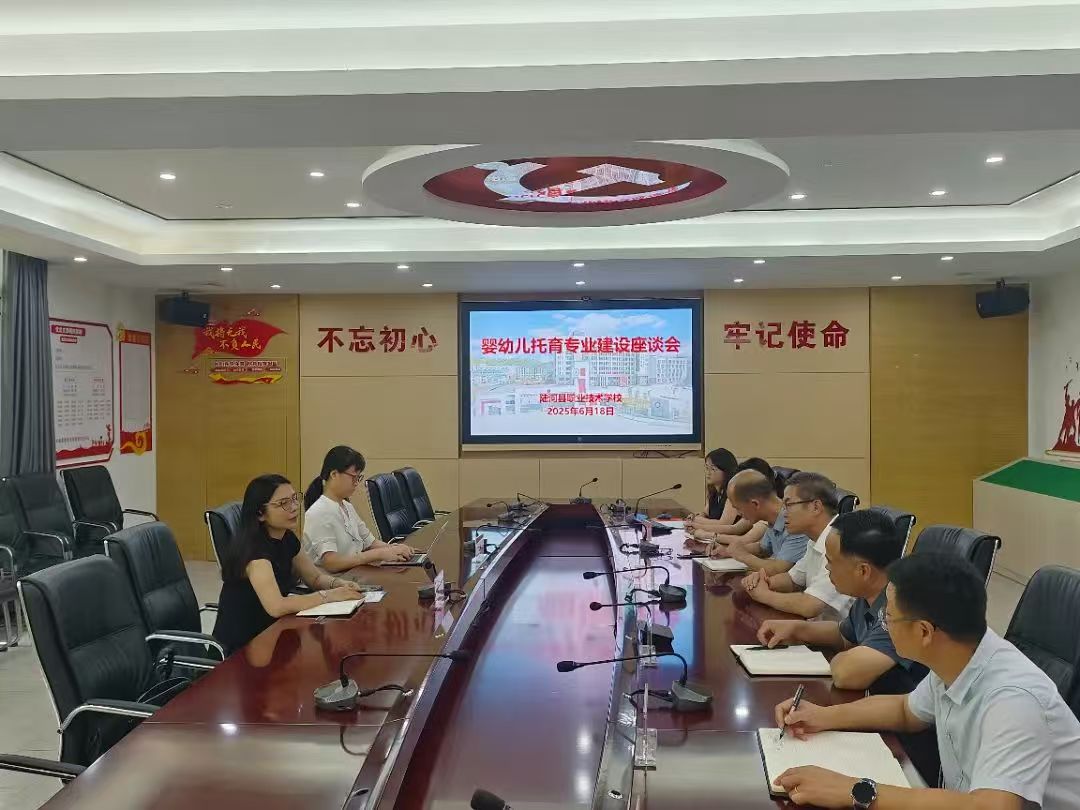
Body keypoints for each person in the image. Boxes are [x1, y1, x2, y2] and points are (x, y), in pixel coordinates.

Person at [771, 552, 1080, 810]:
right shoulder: (960, 656)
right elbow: (906, 710)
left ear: (924, 632)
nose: (884, 624)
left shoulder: (1014, 700)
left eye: (888, 617)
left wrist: (854, 790)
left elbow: (991, 807)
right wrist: (823, 716)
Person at [757, 509, 926, 692]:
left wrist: (837, 660)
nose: (827, 568)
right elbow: (844, 635)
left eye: (831, 562)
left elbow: (846, 674)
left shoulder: (899, 607)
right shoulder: (869, 595)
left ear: (863, 571)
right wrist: (797, 629)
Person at [213, 474, 363, 655]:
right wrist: (329, 596)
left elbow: (314, 578)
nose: (294, 507)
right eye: (283, 503)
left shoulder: (286, 537)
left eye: (294, 499)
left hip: (273, 632)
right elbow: (277, 606)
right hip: (243, 648)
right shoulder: (255, 554)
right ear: (260, 514)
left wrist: (338, 584)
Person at [742, 472, 852, 619]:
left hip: (838, 632)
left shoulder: (841, 541)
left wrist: (764, 595)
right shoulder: (815, 539)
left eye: (788, 505)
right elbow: (793, 580)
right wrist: (765, 582)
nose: (783, 513)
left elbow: (810, 606)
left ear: (816, 507)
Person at [302, 445, 415, 572]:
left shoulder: (346, 506)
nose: (356, 483)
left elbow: (370, 542)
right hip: (334, 580)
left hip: (355, 574)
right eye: (353, 477)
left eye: (358, 478)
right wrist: (378, 554)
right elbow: (331, 563)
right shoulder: (318, 512)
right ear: (334, 474)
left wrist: (394, 549)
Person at [699, 470, 810, 574]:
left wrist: (743, 556)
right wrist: (729, 551)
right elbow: (763, 548)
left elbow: (778, 569)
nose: (738, 514)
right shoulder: (773, 518)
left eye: (738, 508)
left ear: (755, 504)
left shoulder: (795, 522)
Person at [690, 456, 778, 546]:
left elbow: (744, 539)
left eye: (713, 469)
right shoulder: (766, 511)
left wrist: (706, 534)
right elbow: (760, 548)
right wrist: (726, 551)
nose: (738, 513)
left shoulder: (775, 516)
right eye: (706, 468)